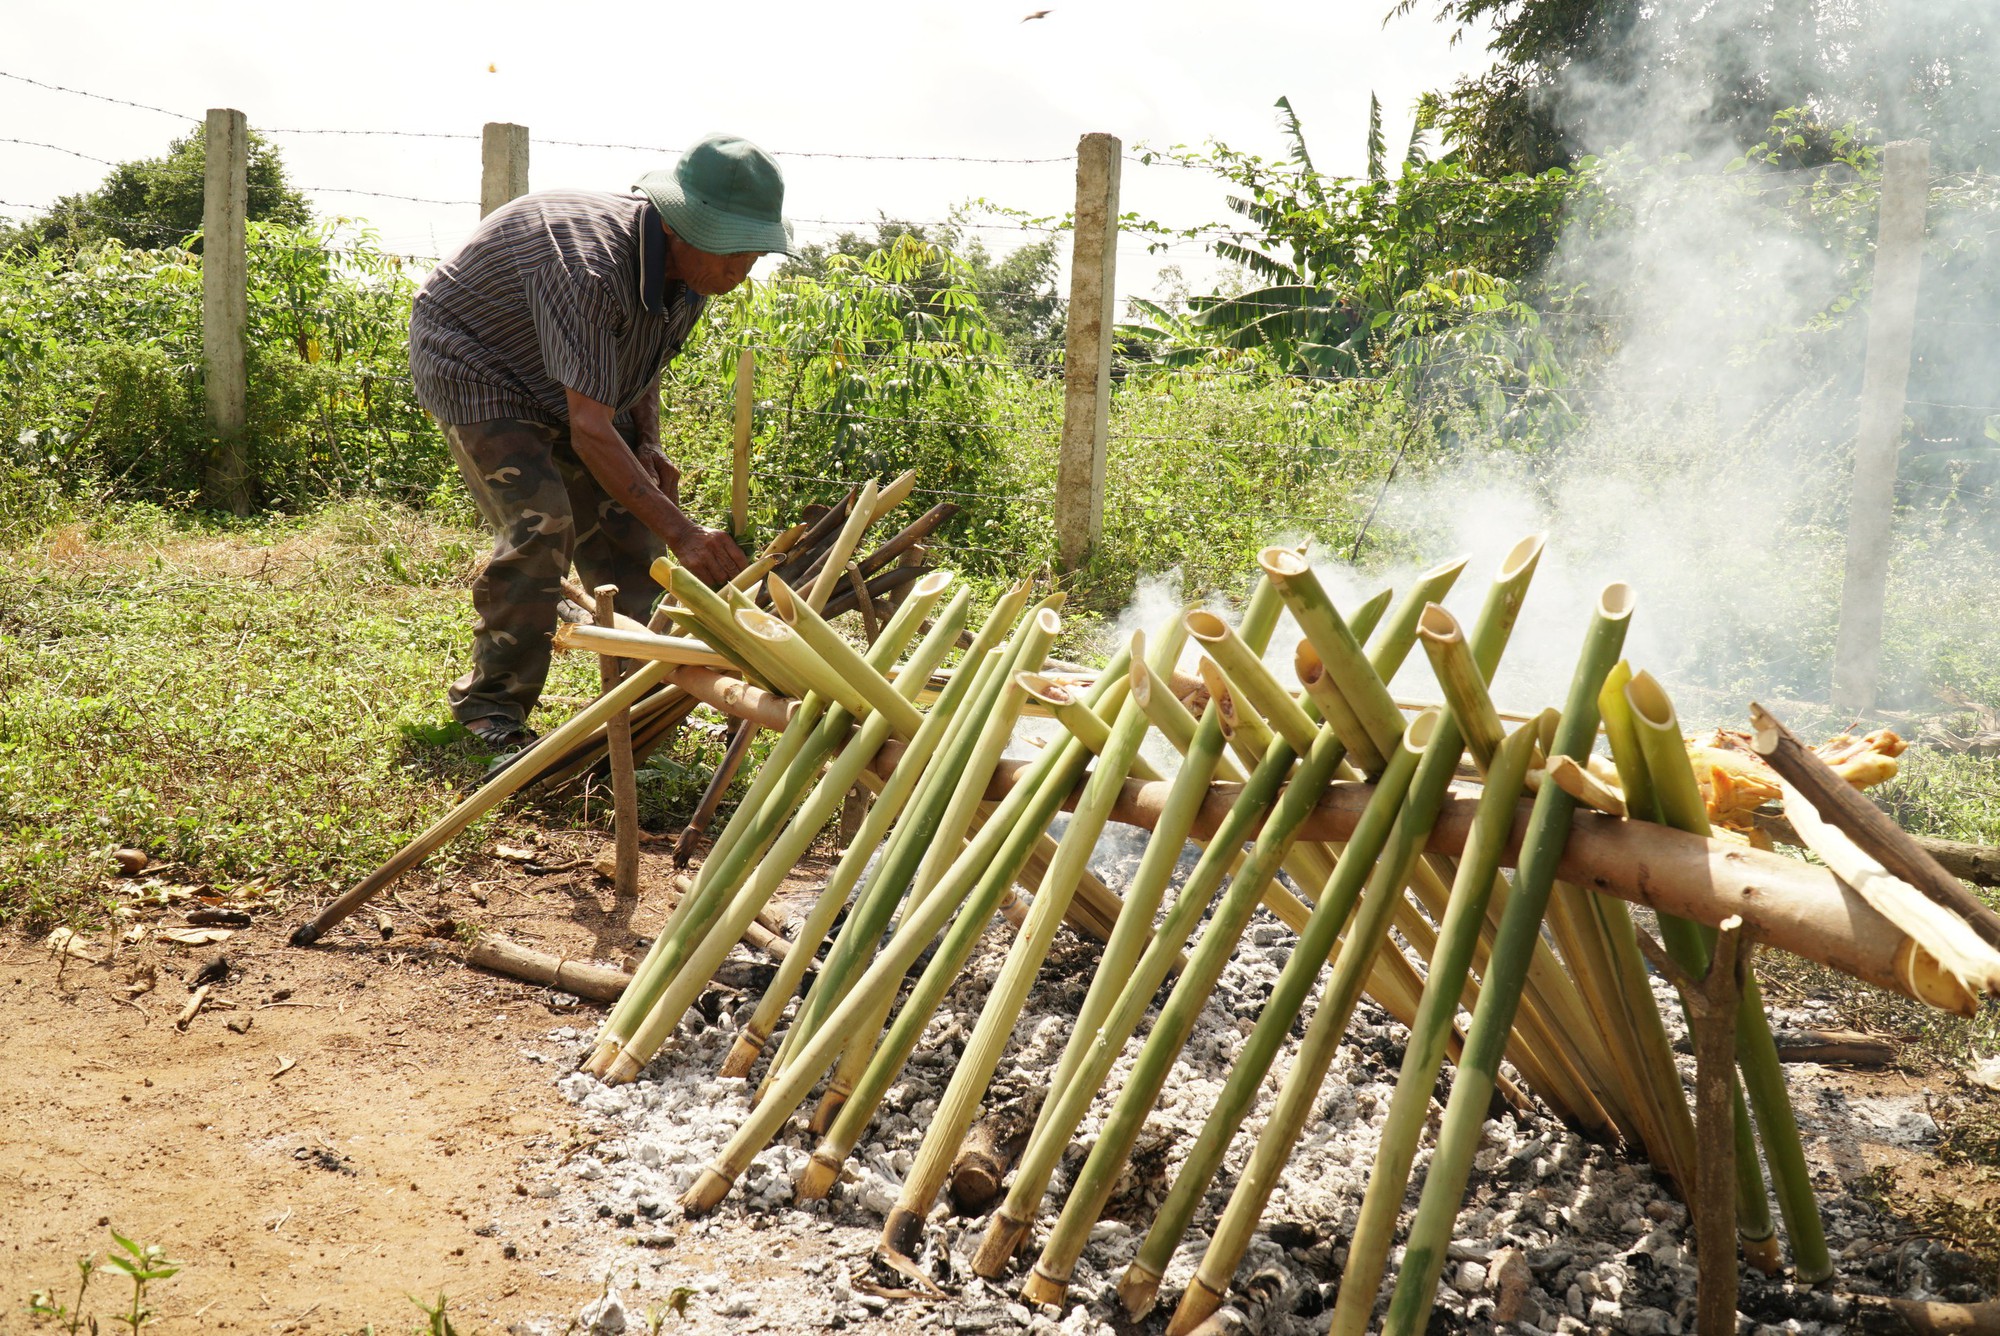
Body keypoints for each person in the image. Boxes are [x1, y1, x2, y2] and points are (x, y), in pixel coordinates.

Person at [408, 132, 791, 758]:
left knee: (626, 529)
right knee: (543, 522)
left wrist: (647, 444)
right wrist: (688, 534)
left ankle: (643, 688)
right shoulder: (588, 266)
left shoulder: (692, 277)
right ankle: (491, 707)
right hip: (477, 361)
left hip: (562, 381)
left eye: (752, 255)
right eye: (730, 253)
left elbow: (639, 359)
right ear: (679, 226)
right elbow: (589, 426)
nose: (739, 271)